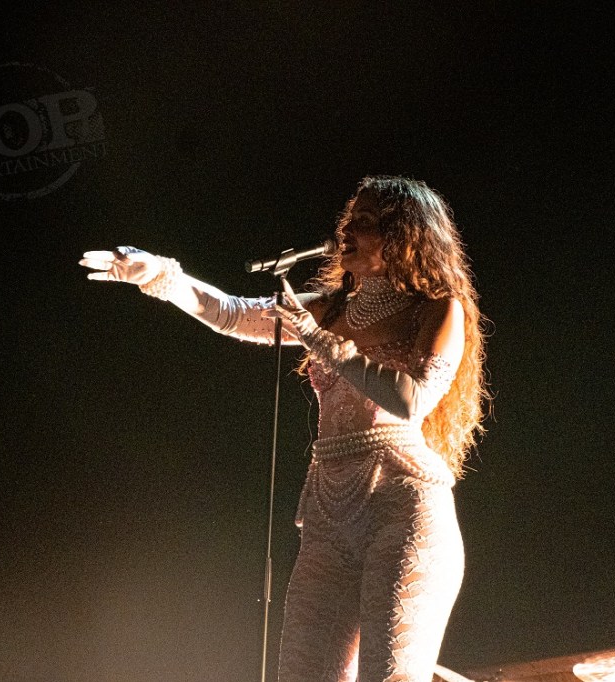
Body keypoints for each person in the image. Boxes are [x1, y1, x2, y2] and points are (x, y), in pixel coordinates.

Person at [79, 175, 488, 682]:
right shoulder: (330, 308)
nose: (346, 230)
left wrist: (323, 342)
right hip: (328, 516)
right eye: (349, 219)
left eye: (364, 221)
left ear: (403, 235)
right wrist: (164, 276)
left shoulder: (436, 309)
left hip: (403, 511)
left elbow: (412, 399)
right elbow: (232, 314)